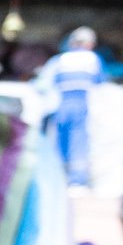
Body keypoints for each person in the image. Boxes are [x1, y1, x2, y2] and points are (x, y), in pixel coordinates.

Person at [37, 26, 103, 189]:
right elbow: (100, 82)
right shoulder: (93, 59)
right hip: (81, 104)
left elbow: (42, 84)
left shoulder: (60, 60)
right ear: (90, 44)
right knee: (79, 141)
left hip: (62, 104)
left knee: (60, 140)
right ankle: (77, 180)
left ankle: (58, 177)